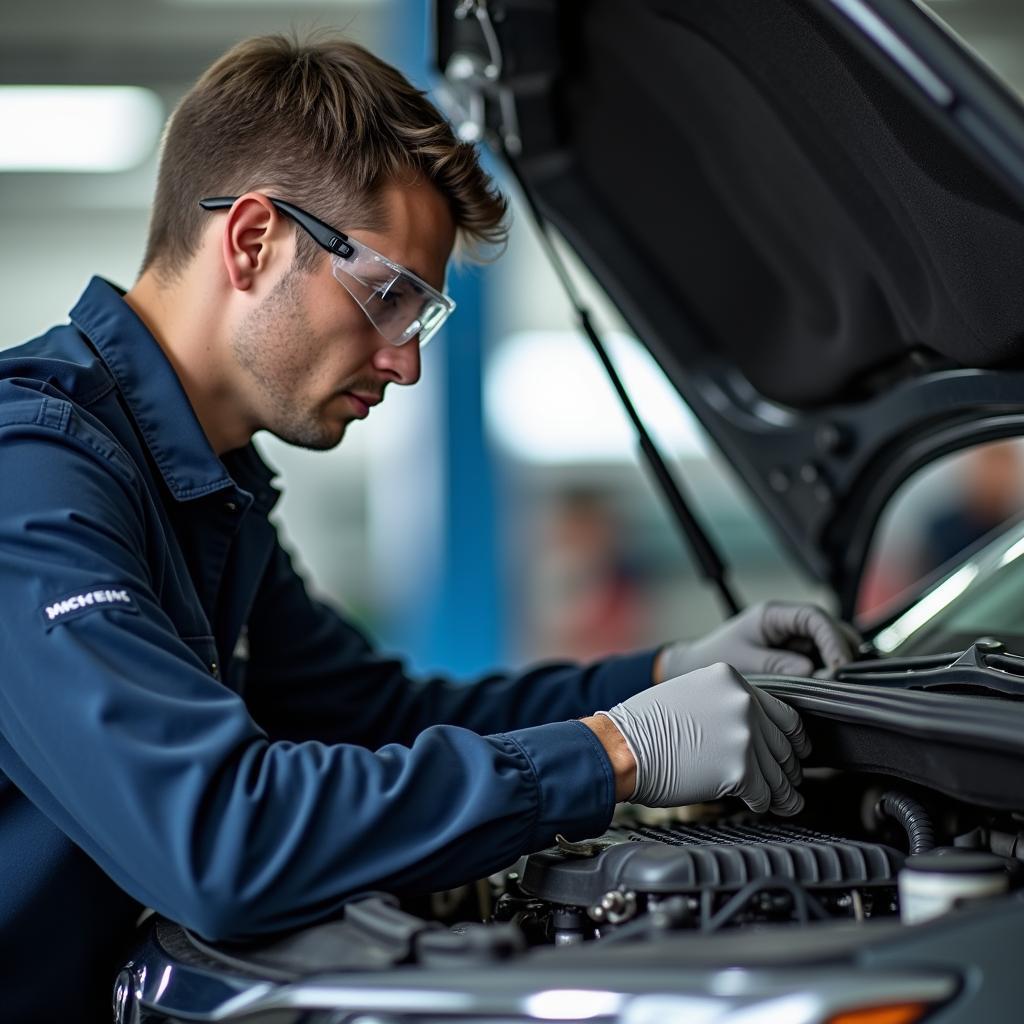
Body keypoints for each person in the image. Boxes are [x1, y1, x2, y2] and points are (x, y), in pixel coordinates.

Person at [0, 34, 853, 1018]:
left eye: (421, 316)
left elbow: (375, 716)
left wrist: (660, 676)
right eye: (389, 298)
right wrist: (614, 752)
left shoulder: (202, 486)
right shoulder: (35, 474)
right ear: (249, 241)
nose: (403, 364)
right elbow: (215, 841)